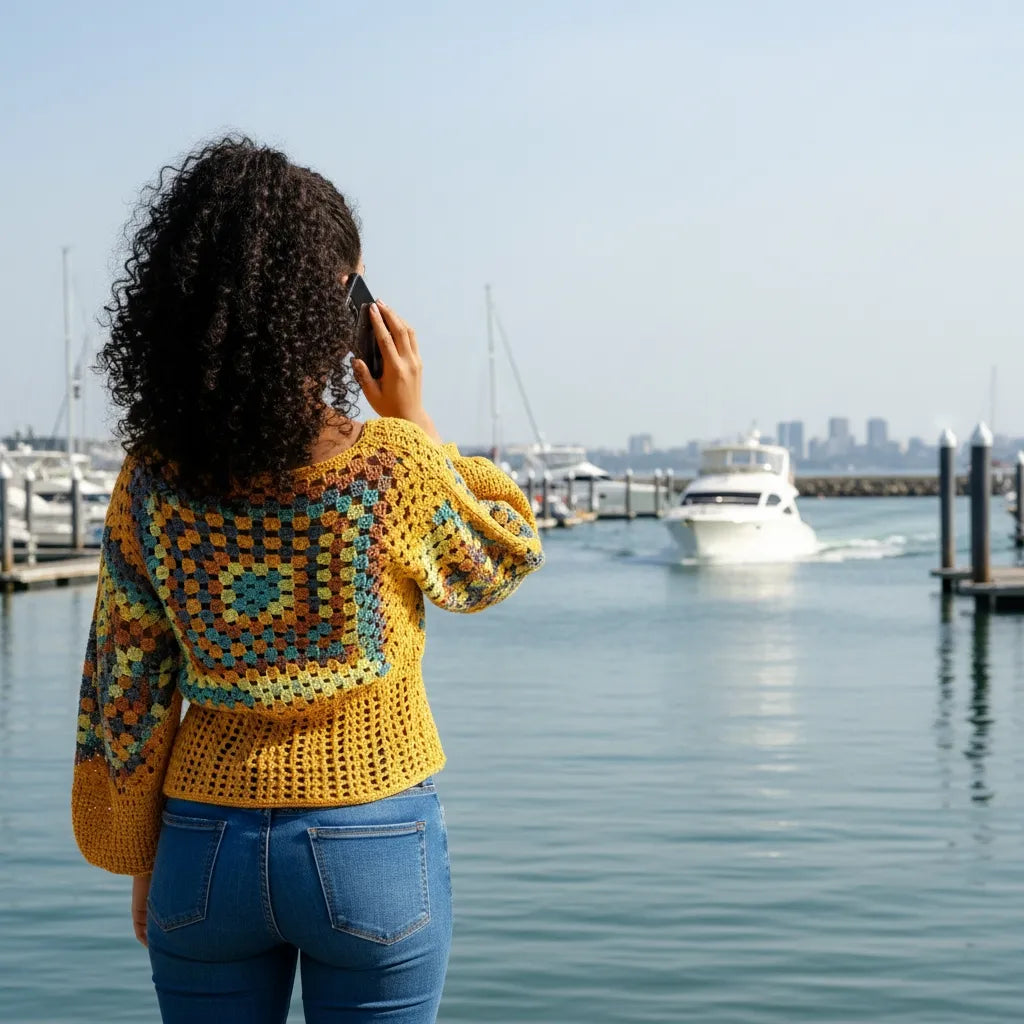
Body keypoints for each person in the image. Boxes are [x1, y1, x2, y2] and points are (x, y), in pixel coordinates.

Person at [71, 136, 544, 1024]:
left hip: (201, 847)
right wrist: (416, 420)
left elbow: (125, 690)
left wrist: (145, 858)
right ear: (336, 307)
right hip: (373, 839)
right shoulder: (391, 469)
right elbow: (501, 557)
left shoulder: (154, 479)